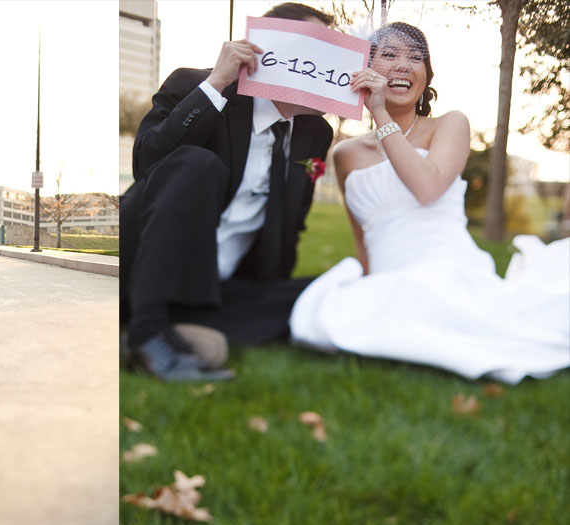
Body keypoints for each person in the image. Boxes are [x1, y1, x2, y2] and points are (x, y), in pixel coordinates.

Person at [289, 22, 569, 384]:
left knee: (430, 300)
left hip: (448, 265)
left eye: (415, 57)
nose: (404, 64)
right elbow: (362, 239)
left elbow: (427, 188)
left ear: (426, 74)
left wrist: (382, 115)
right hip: (389, 273)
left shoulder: (449, 125)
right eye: (388, 55)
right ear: (365, 70)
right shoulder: (345, 154)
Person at [120, 2, 335, 381]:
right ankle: (148, 330)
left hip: (218, 288)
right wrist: (217, 83)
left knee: (323, 291)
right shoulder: (195, 85)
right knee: (197, 164)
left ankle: (171, 326)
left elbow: (292, 227)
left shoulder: (315, 134)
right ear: (275, 48)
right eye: (318, 48)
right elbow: (148, 165)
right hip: (141, 267)